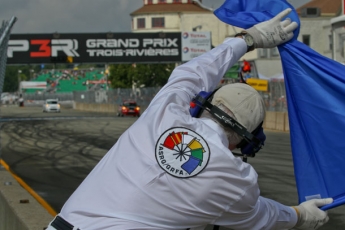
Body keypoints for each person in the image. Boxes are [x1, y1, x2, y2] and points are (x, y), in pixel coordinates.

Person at [46, 8, 333, 230]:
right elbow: (260, 216)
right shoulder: (237, 179)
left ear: (201, 106)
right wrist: (299, 215)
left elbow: (191, 73)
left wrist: (248, 40)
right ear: (247, 143)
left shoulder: (163, 114)